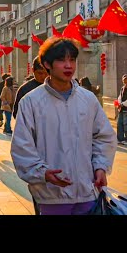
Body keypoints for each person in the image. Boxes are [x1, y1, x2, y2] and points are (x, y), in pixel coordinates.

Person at [11, 37, 117, 215]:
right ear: (47, 64)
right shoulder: (31, 102)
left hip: (87, 193)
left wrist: (100, 167)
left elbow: (103, 136)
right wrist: (42, 173)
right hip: (51, 195)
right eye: (61, 60)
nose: (68, 66)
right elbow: (22, 146)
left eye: (72, 60)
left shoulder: (88, 99)